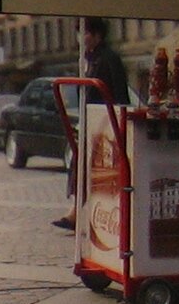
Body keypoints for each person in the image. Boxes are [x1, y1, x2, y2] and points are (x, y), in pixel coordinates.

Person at [54, 16, 130, 230]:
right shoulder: (88, 59)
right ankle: (75, 211)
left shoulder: (108, 58)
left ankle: (80, 214)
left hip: (104, 123)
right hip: (90, 122)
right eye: (79, 32)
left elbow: (120, 93)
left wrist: (119, 121)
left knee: (95, 169)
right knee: (80, 165)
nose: (81, 37)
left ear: (97, 35)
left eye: (85, 32)